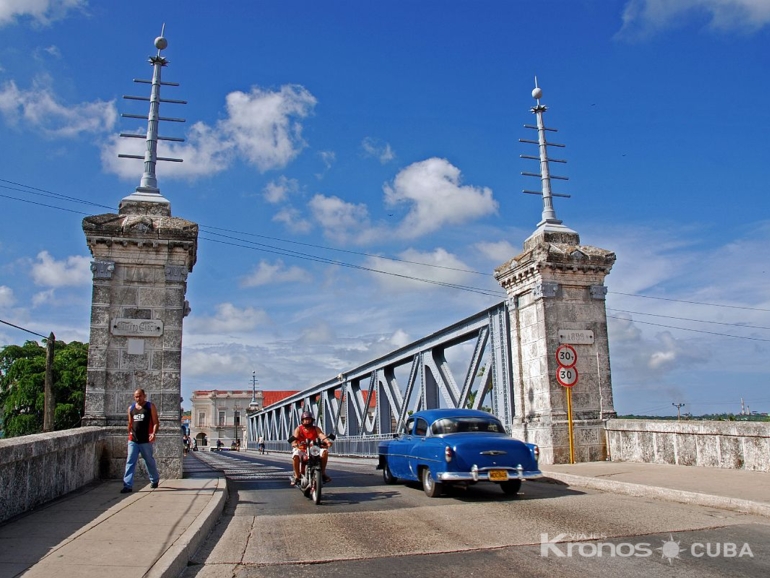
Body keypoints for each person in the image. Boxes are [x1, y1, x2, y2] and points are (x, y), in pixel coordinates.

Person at [121, 388, 160, 493]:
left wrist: (153, 433)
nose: (138, 398)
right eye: (136, 397)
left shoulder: (149, 406)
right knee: (130, 461)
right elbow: (130, 423)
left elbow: (156, 422)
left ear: (144, 396)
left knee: (149, 461)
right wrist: (129, 433)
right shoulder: (131, 408)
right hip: (133, 439)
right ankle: (127, 485)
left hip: (146, 440)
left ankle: (154, 479)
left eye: (140, 396)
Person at [290, 411, 333, 485]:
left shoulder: (315, 428)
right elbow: (295, 437)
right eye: (305, 419)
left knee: (325, 452)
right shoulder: (299, 429)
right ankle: (297, 475)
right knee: (295, 455)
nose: (307, 421)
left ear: (312, 420)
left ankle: (322, 473)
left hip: (314, 449)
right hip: (301, 448)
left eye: (309, 419)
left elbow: (321, 435)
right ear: (302, 420)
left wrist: (327, 441)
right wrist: (294, 443)